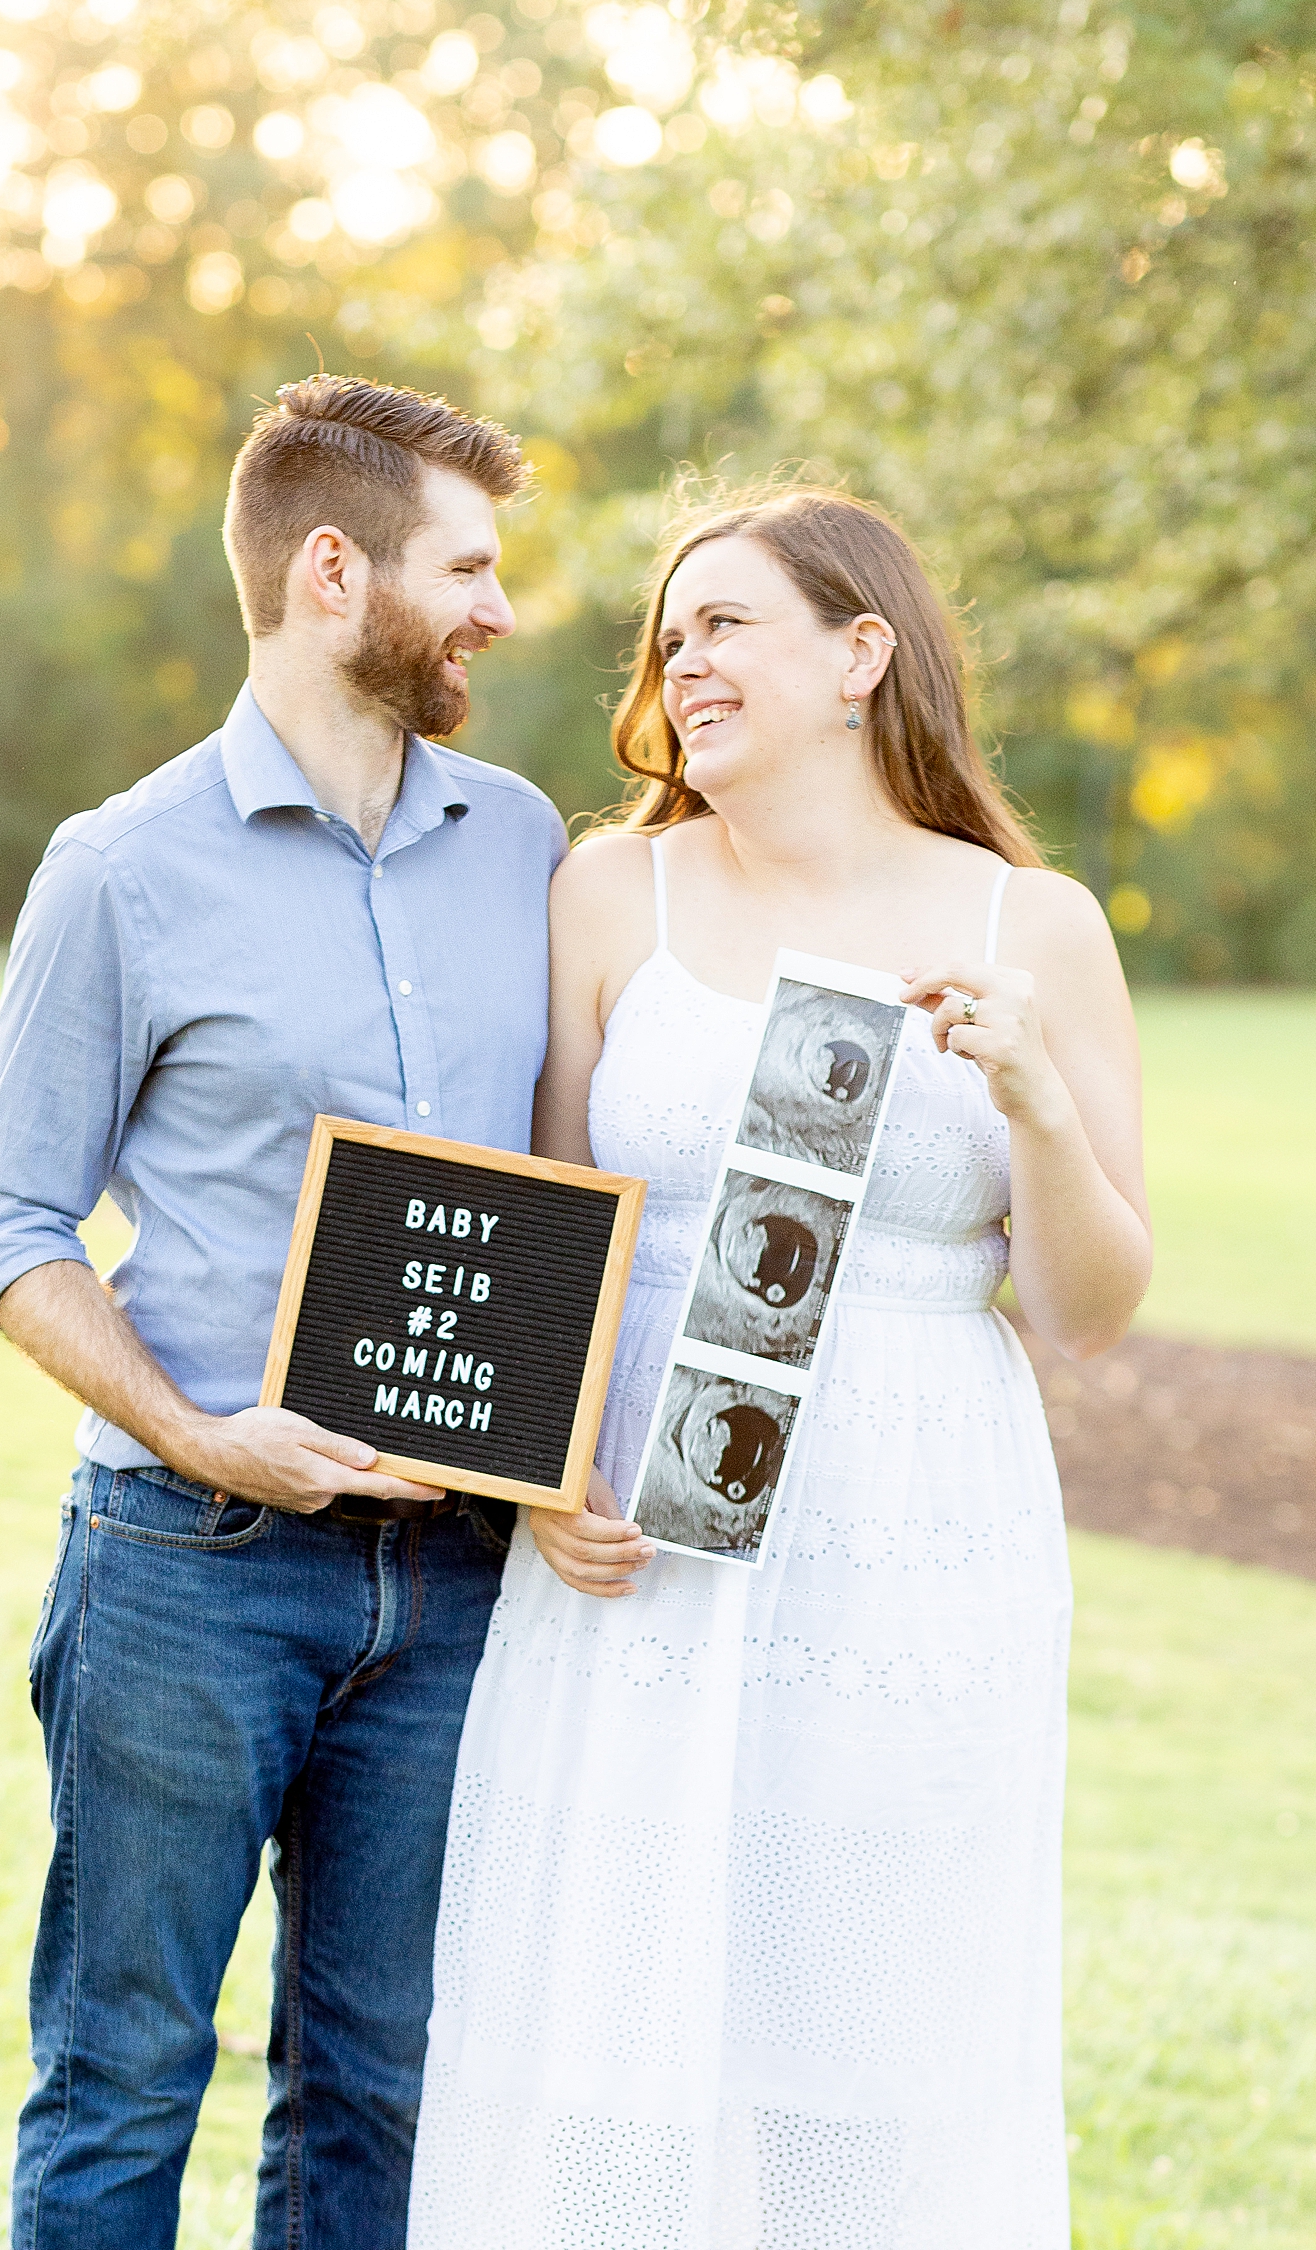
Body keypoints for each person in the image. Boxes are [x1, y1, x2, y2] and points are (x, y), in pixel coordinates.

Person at [407, 485, 1151, 2248]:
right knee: (610, 2004)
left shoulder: (1032, 929)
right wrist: (541, 1475)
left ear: (860, 653)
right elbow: (544, 1227)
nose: (685, 657)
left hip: (912, 1535)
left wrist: (1036, 1103)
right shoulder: (609, 892)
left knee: (869, 2016)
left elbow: (1094, 1307)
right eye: (673, 634)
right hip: (643, 1549)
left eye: (727, 621)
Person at [0, 375, 566, 2250]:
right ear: (329, 570)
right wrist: (206, 1433)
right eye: (467, 566)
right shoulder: (124, 867)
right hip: (188, 1565)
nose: (500, 609)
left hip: (460, 1580)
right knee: (126, 2075)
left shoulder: (531, 841)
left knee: (383, 2091)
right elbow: (5, 1224)